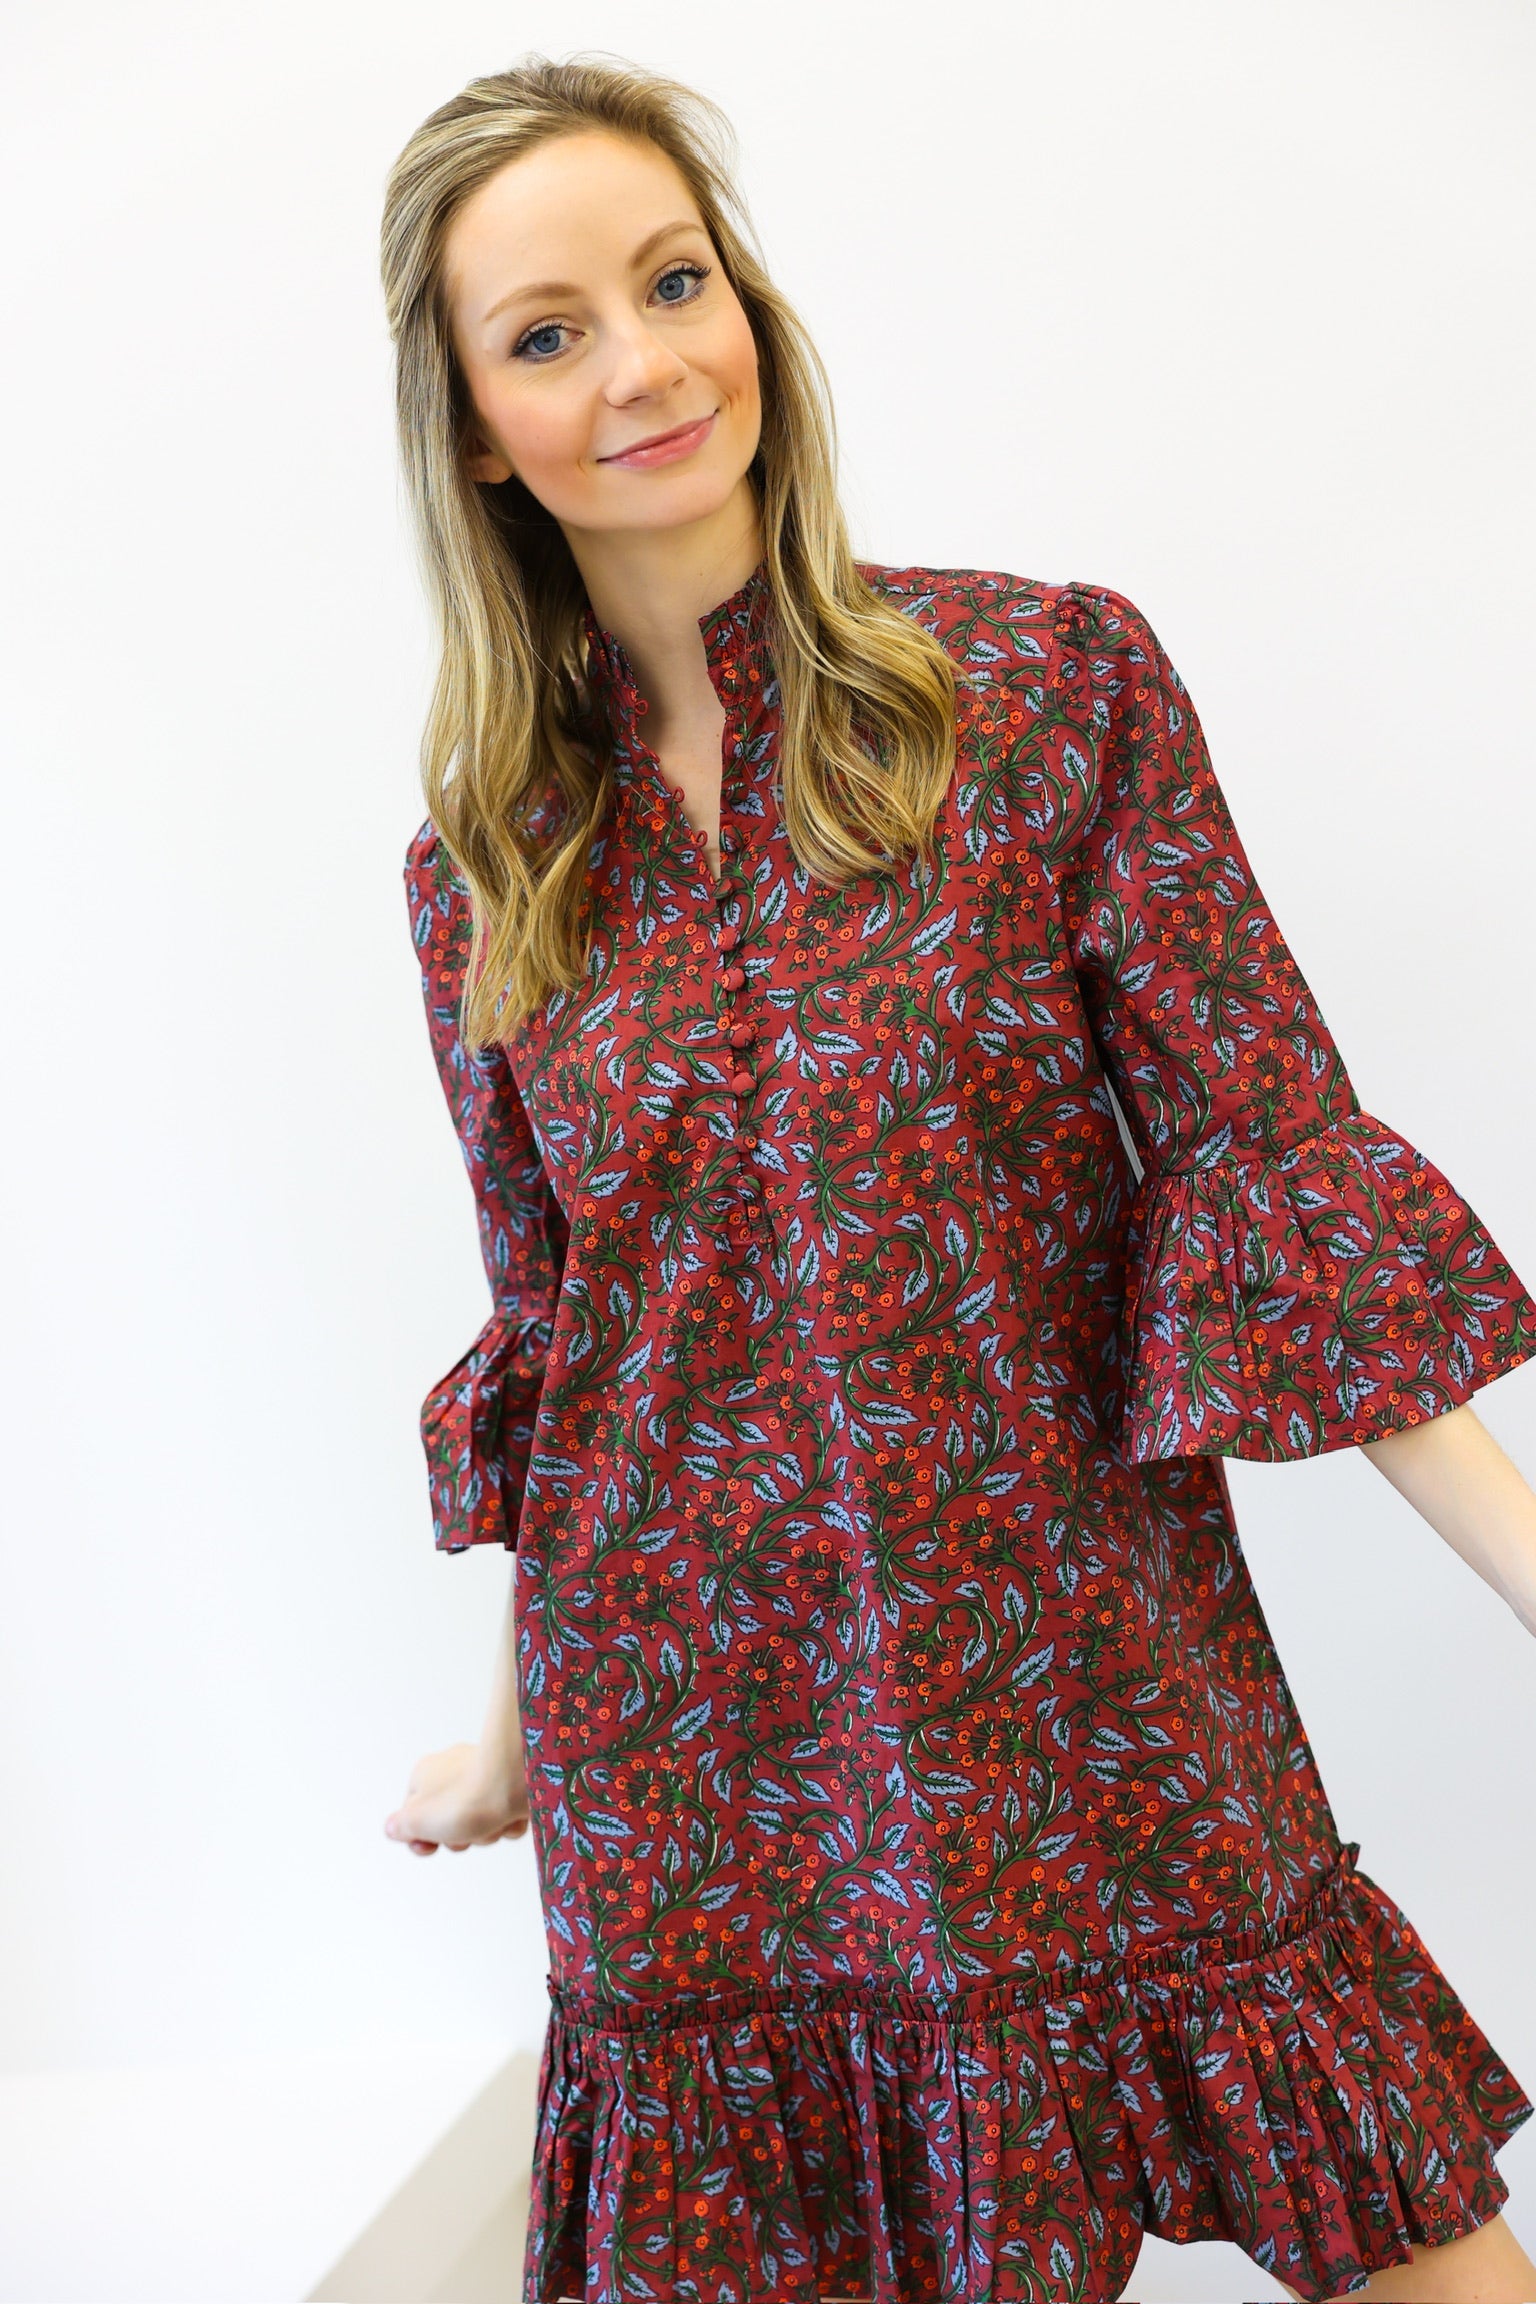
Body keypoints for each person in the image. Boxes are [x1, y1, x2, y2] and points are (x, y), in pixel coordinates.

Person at [378, 52, 1536, 2304]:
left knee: (1436, 2264)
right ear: (472, 433)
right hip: (713, 1781)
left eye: (672, 278)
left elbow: (1263, 1157)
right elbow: (569, 1347)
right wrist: (511, 1742)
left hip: (1087, 1683)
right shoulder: (482, 874)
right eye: (548, 332)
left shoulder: (1039, 688)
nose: (643, 364)